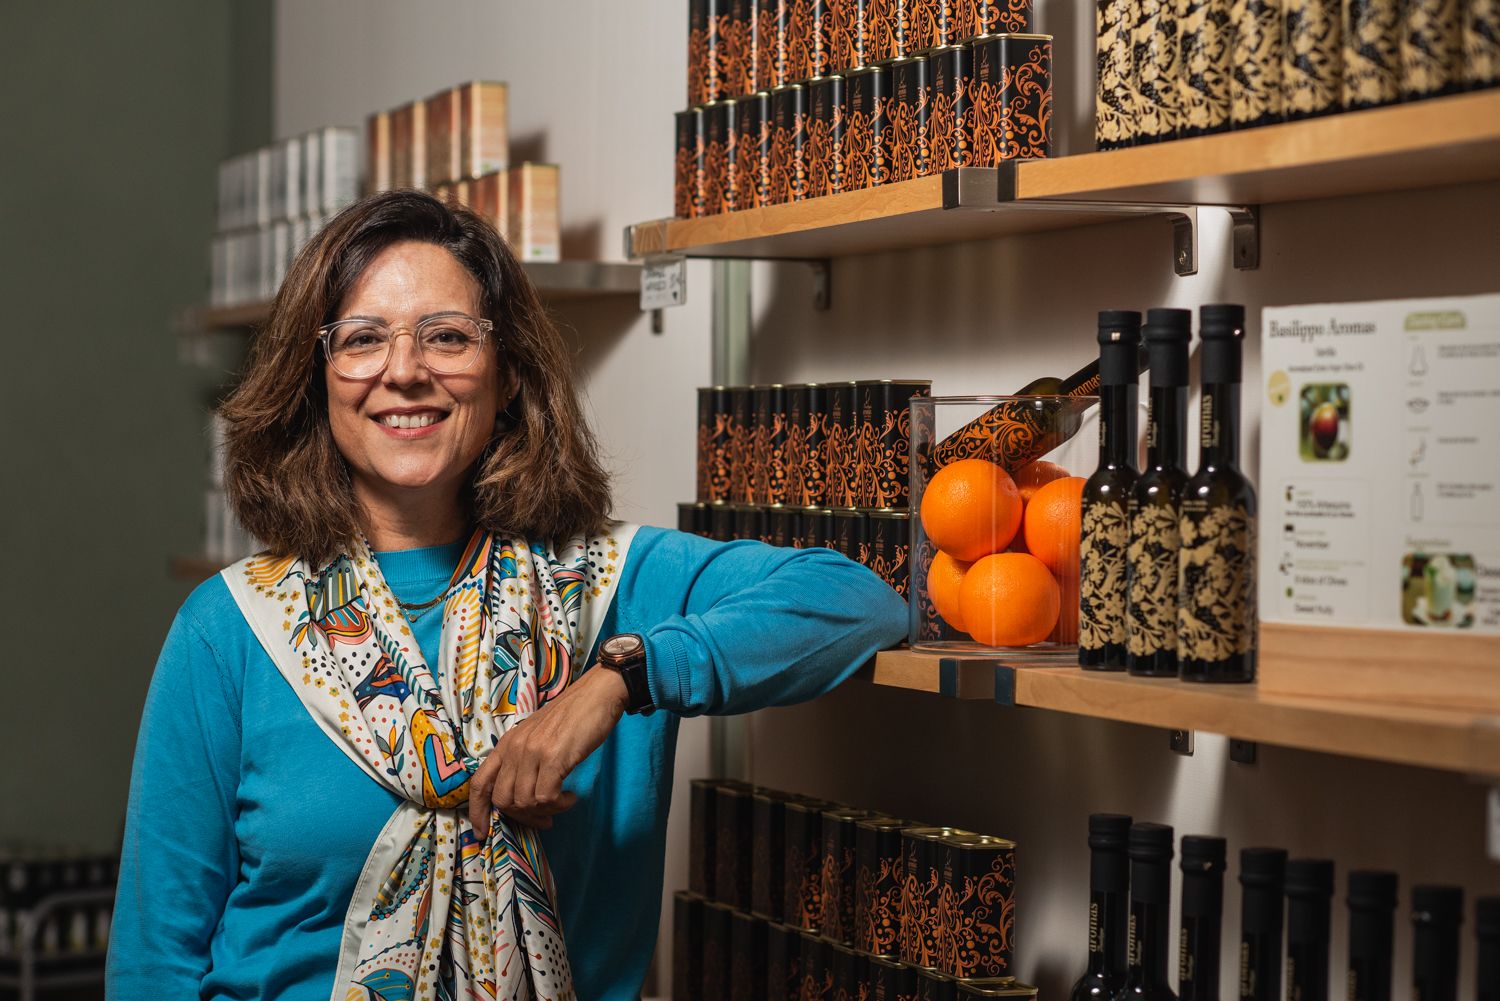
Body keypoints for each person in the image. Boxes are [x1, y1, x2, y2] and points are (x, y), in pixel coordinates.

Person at [107, 190, 906, 1000]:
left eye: (447, 335)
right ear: (317, 382)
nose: (406, 370)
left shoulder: (608, 585)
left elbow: (859, 601)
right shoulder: (232, 628)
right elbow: (155, 961)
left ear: (510, 371)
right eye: (361, 339)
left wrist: (618, 680)